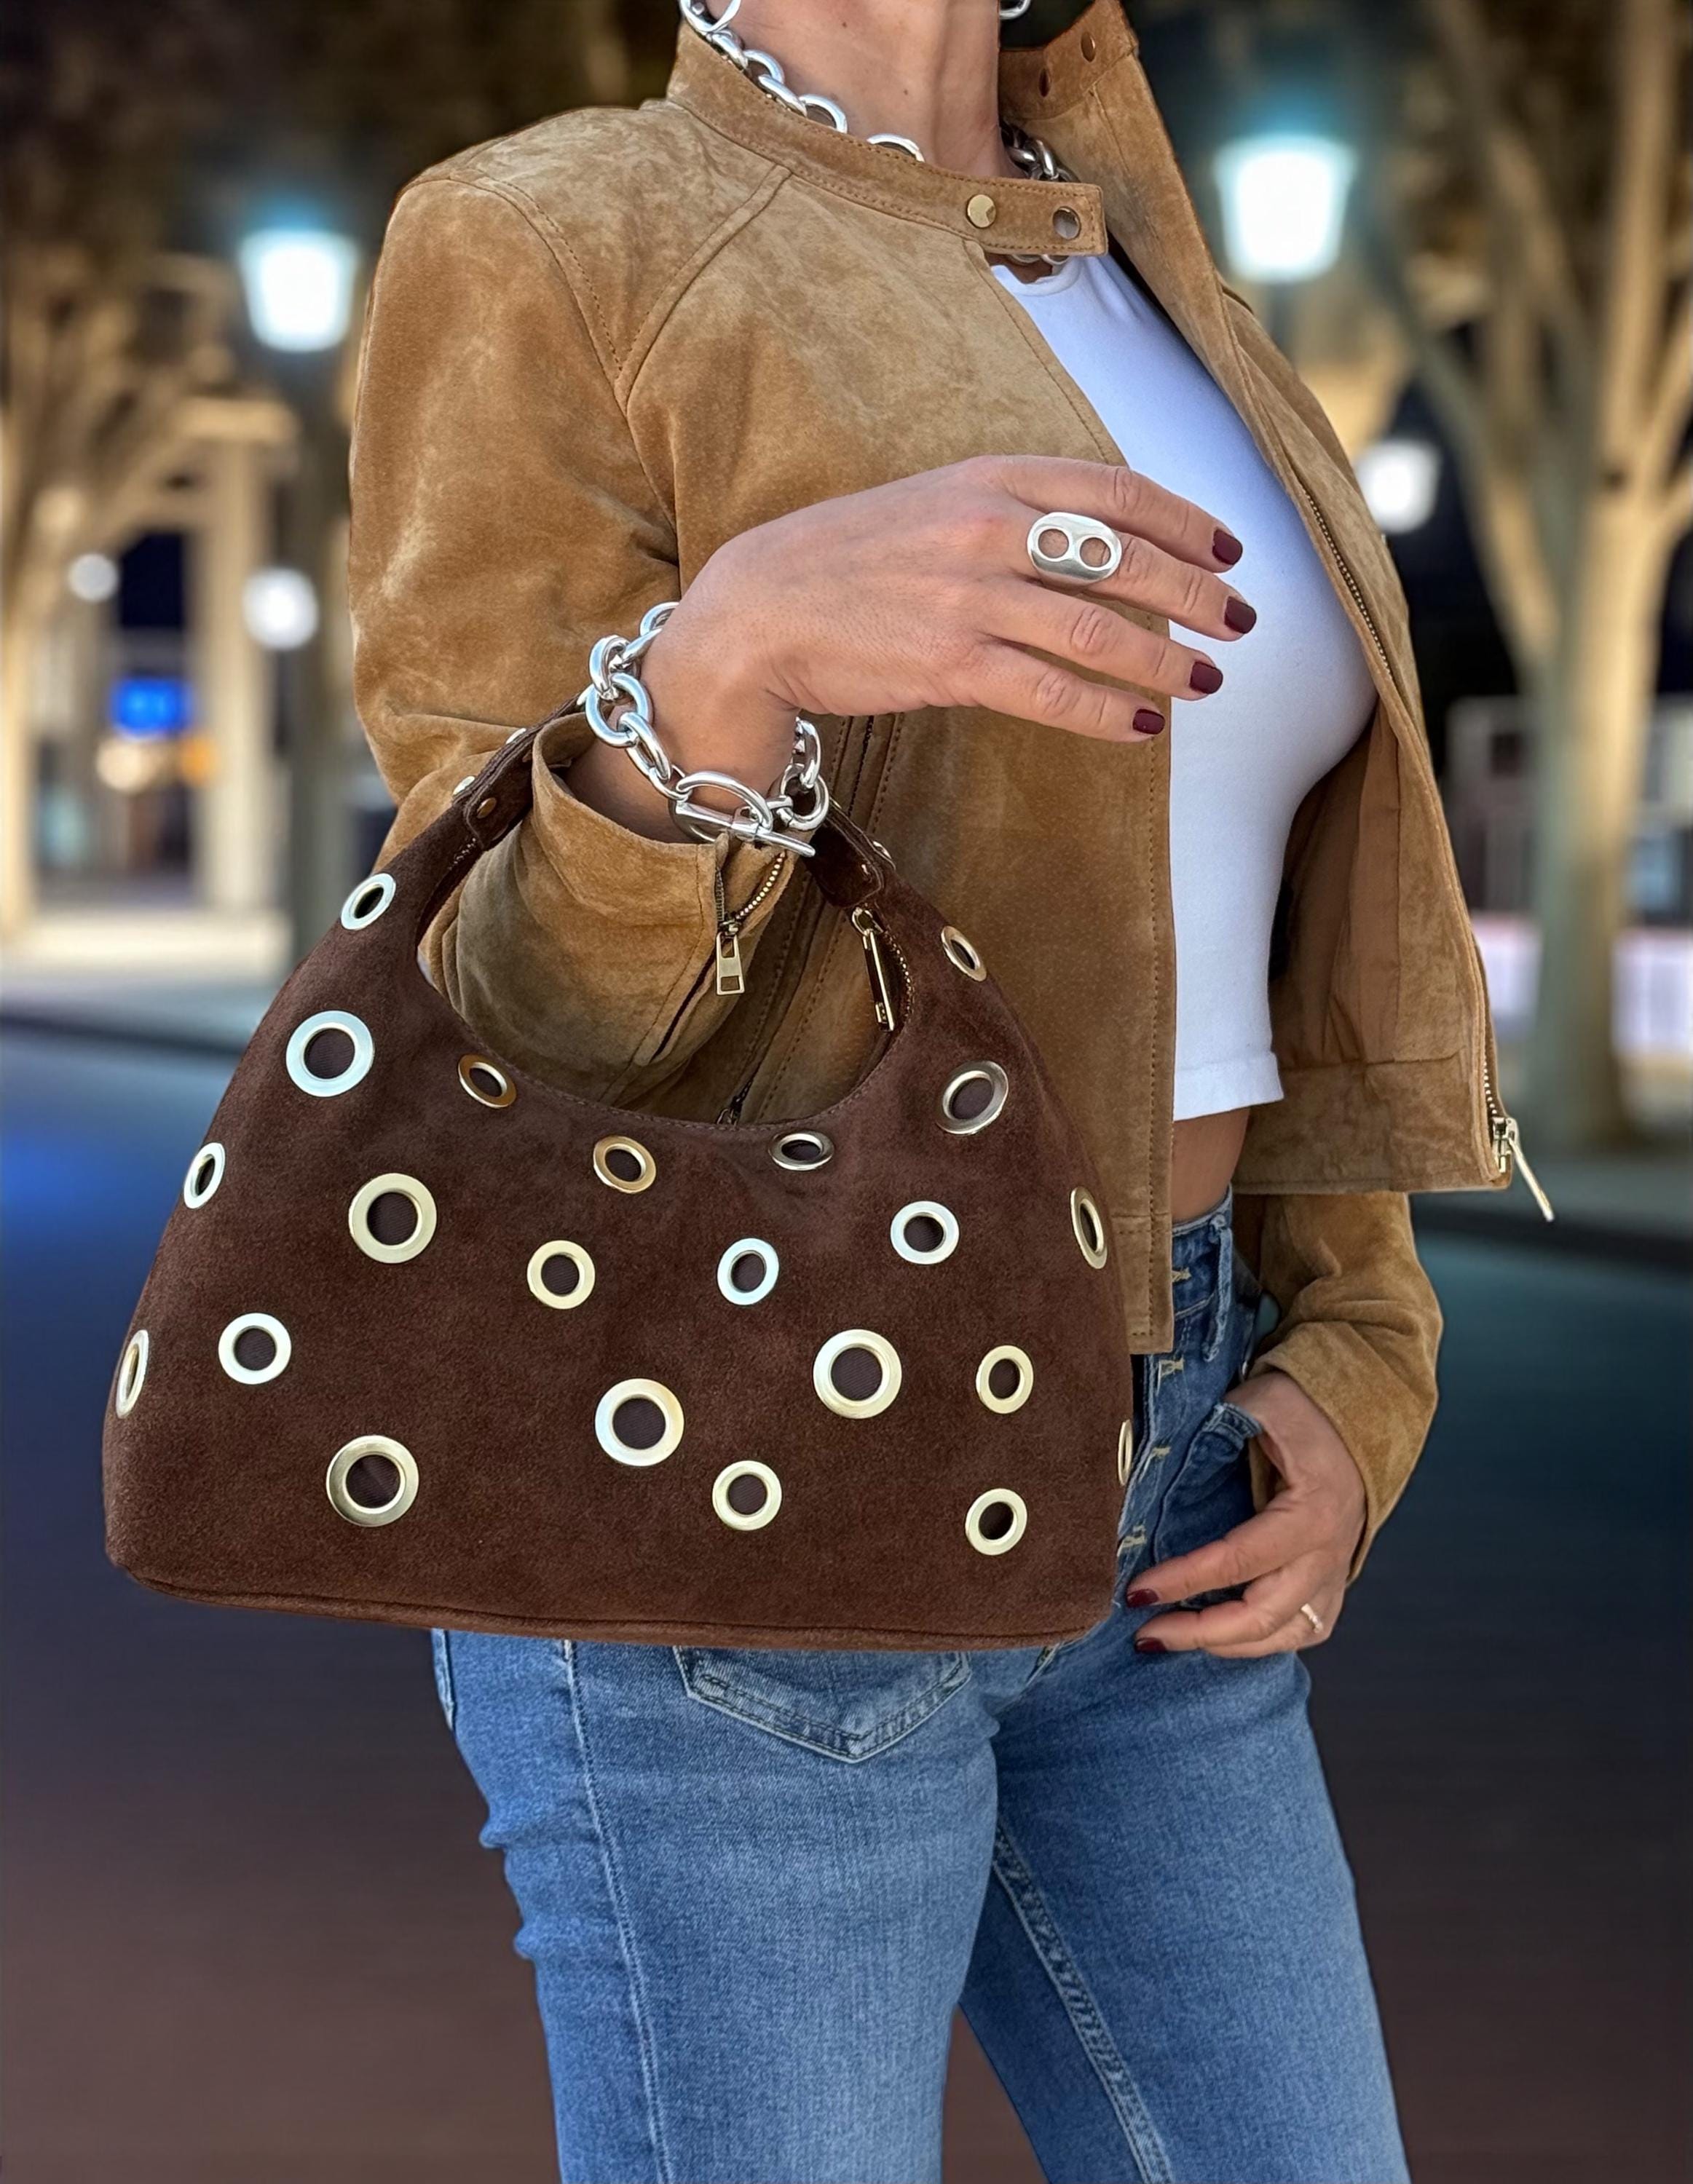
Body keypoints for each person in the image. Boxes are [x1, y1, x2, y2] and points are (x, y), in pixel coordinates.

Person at [347, 3, 1518, 2177]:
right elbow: (493, 1003)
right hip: (732, 1471)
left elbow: (1270, 907)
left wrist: (1358, 1343)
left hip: (1171, 1493)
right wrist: (723, 662)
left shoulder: (1152, 283)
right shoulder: (553, 236)